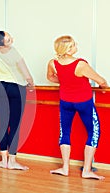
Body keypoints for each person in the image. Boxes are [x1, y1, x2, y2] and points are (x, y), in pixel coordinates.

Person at [47, 35, 108, 180]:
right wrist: (103, 87)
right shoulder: (81, 64)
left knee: (65, 132)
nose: (76, 46)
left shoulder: (53, 63)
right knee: (93, 133)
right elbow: (102, 81)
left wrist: (65, 81)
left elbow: (50, 77)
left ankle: (65, 168)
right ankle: (86, 170)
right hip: (83, 102)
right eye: (73, 45)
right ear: (68, 50)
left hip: (65, 102)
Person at [0, 31, 34, 170]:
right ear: (3, 44)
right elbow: (26, 74)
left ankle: (3, 160)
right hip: (17, 89)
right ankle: (12, 161)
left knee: (3, 123)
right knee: (15, 124)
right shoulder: (14, 52)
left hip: (1, 88)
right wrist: (31, 85)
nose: (12, 39)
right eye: (9, 39)